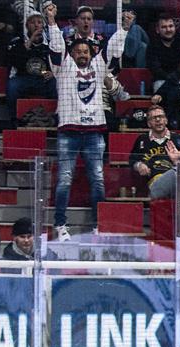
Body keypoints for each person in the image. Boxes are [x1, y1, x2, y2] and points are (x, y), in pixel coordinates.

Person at [45, 2, 127, 241]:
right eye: (78, 51)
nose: (82, 54)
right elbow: (57, 45)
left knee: (98, 180)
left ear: (91, 54)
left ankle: (97, 226)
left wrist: (123, 29)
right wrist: (51, 22)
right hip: (68, 131)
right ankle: (60, 225)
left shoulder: (99, 66)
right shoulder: (63, 67)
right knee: (64, 179)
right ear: (72, 54)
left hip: (94, 131)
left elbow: (112, 49)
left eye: (86, 52)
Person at [129, 105, 180, 200]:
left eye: (161, 117)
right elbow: (132, 159)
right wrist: (139, 165)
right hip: (155, 184)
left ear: (166, 120)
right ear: (149, 123)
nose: (158, 120)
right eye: (154, 118)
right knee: (175, 176)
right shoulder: (142, 140)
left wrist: (178, 162)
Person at [6, 13, 56, 120]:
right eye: (33, 22)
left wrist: (53, 73)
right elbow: (14, 61)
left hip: (43, 79)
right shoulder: (17, 41)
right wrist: (30, 41)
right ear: (27, 25)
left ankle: (54, 120)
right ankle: (14, 122)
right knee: (12, 86)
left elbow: (59, 61)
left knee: (56, 85)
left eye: (39, 22)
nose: (36, 25)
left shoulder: (51, 43)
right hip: (24, 77)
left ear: (43, 25)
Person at [148, 12, 180, 92]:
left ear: (175, 27)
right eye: (164, 27)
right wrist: (174, 79)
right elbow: (156, 70)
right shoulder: (153, 46)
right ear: (157, 30)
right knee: (160, 86)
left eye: (171, 26)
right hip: (163, 80)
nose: (168, 30)